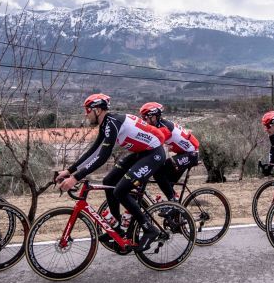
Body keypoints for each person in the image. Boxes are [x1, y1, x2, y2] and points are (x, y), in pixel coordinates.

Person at [55, 94, 166, 250]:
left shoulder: (112, 123)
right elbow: (93, 151)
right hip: (141, 153)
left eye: (87, 110)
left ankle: (150, 229)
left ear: (98, 110)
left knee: (121, 190)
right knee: (108, 181)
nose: (85, 114)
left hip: (153, 154)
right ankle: (118, 227)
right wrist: (69, 170)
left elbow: (102, 156)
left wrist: (75, 178)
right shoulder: (106, 124)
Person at [139, 102, 200, 203]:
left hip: (191, 154)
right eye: (142, 117)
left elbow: (152, 146)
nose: (144, 120)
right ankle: (175, 210)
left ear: (154, 116)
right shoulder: (159, 125)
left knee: (158, 173)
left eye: (145, 117)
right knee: (167, 183)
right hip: (183, 153)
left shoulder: (164, 128)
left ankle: (174, 201)